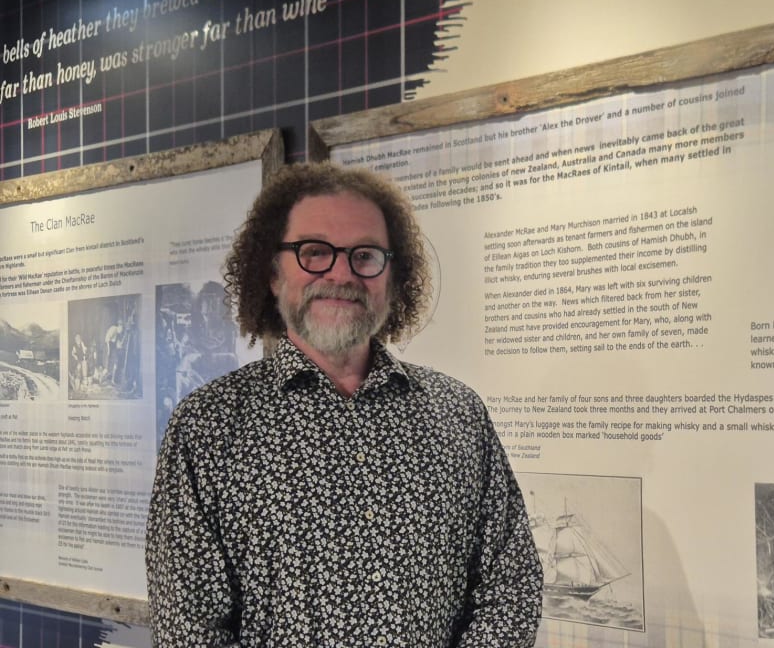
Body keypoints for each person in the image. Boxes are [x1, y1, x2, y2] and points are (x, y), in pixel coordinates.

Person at [146, 163, 543, 647]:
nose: (342, 273)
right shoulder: (209, 429)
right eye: (314, 252)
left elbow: (511, 584)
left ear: (392, 277)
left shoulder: (457, 413)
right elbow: (189, 630)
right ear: (272, 273)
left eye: (366, 255)